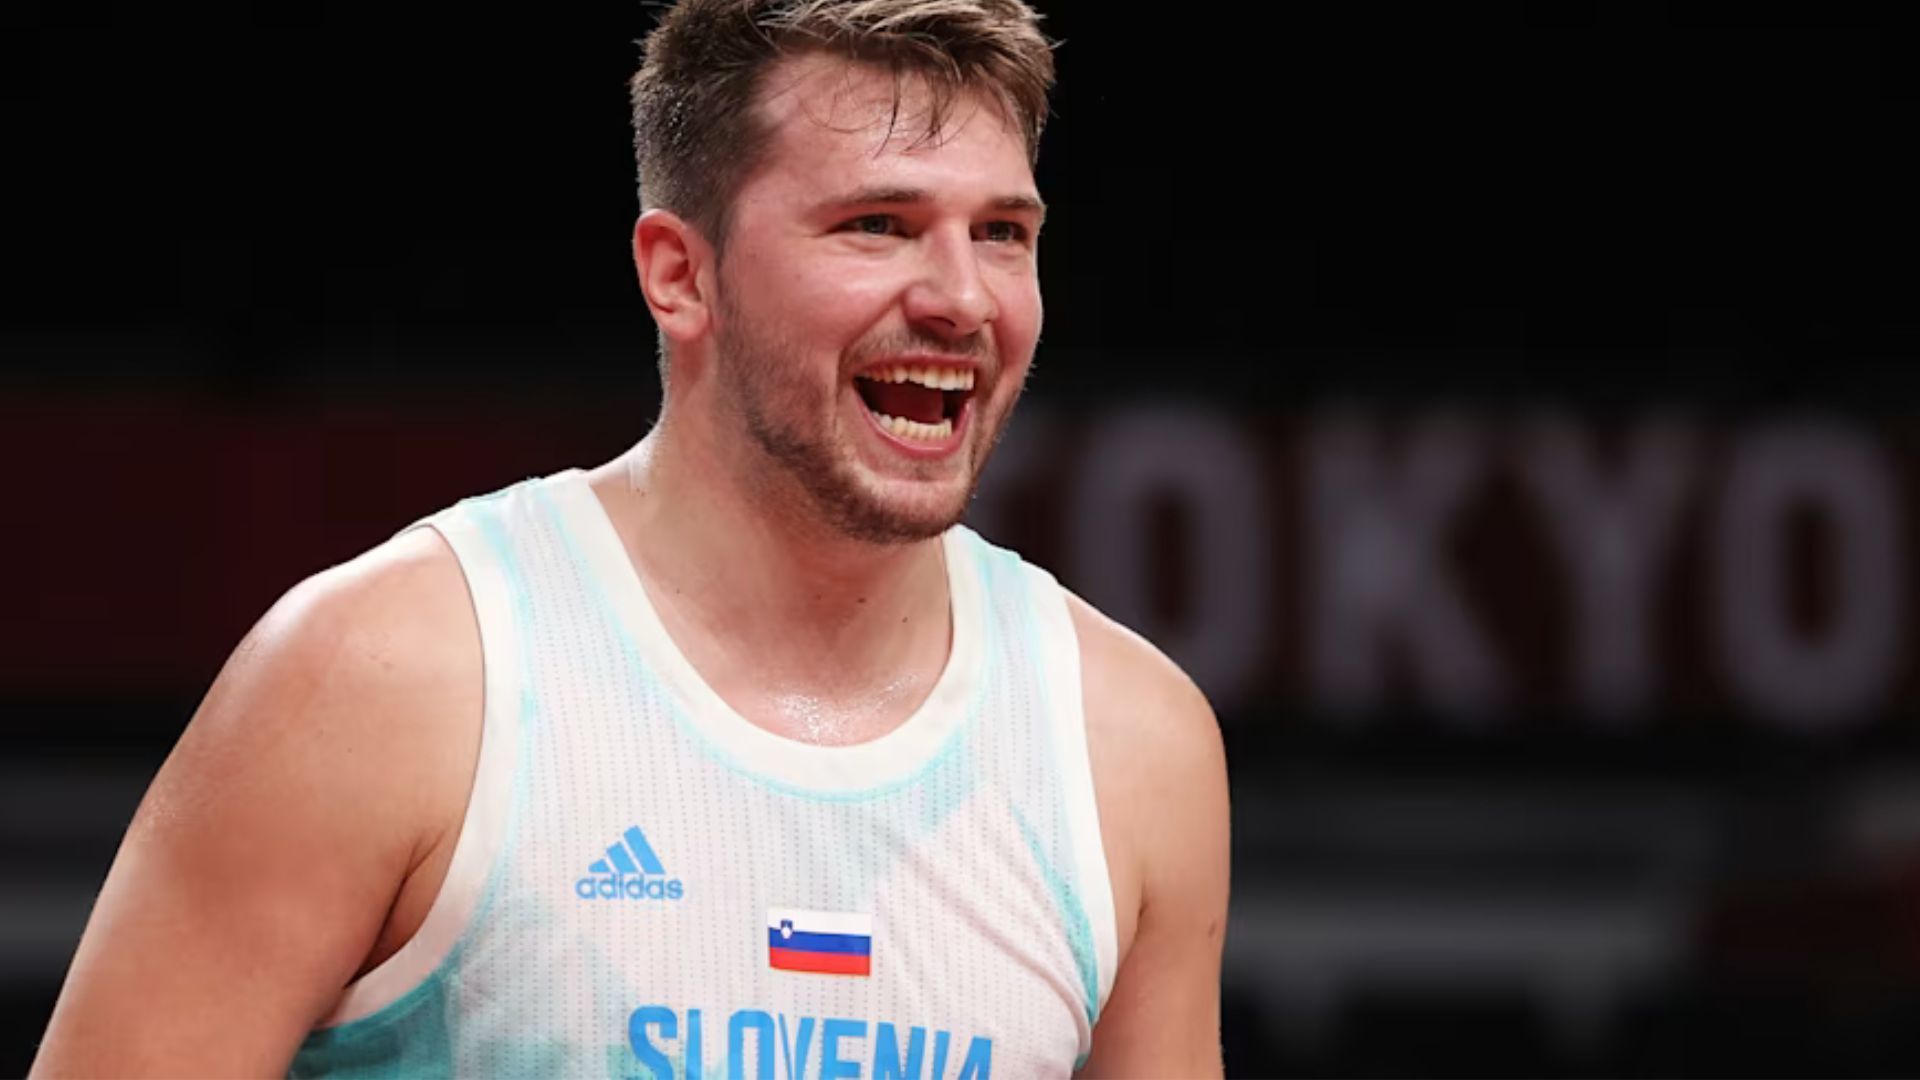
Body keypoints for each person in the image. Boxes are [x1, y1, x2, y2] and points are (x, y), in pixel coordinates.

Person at [31, 1, 1230, 1075]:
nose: (963, 298)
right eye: (879, 223)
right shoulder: (383, 676)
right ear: (680, 275)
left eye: (1003, 233)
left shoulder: (1130, 741)